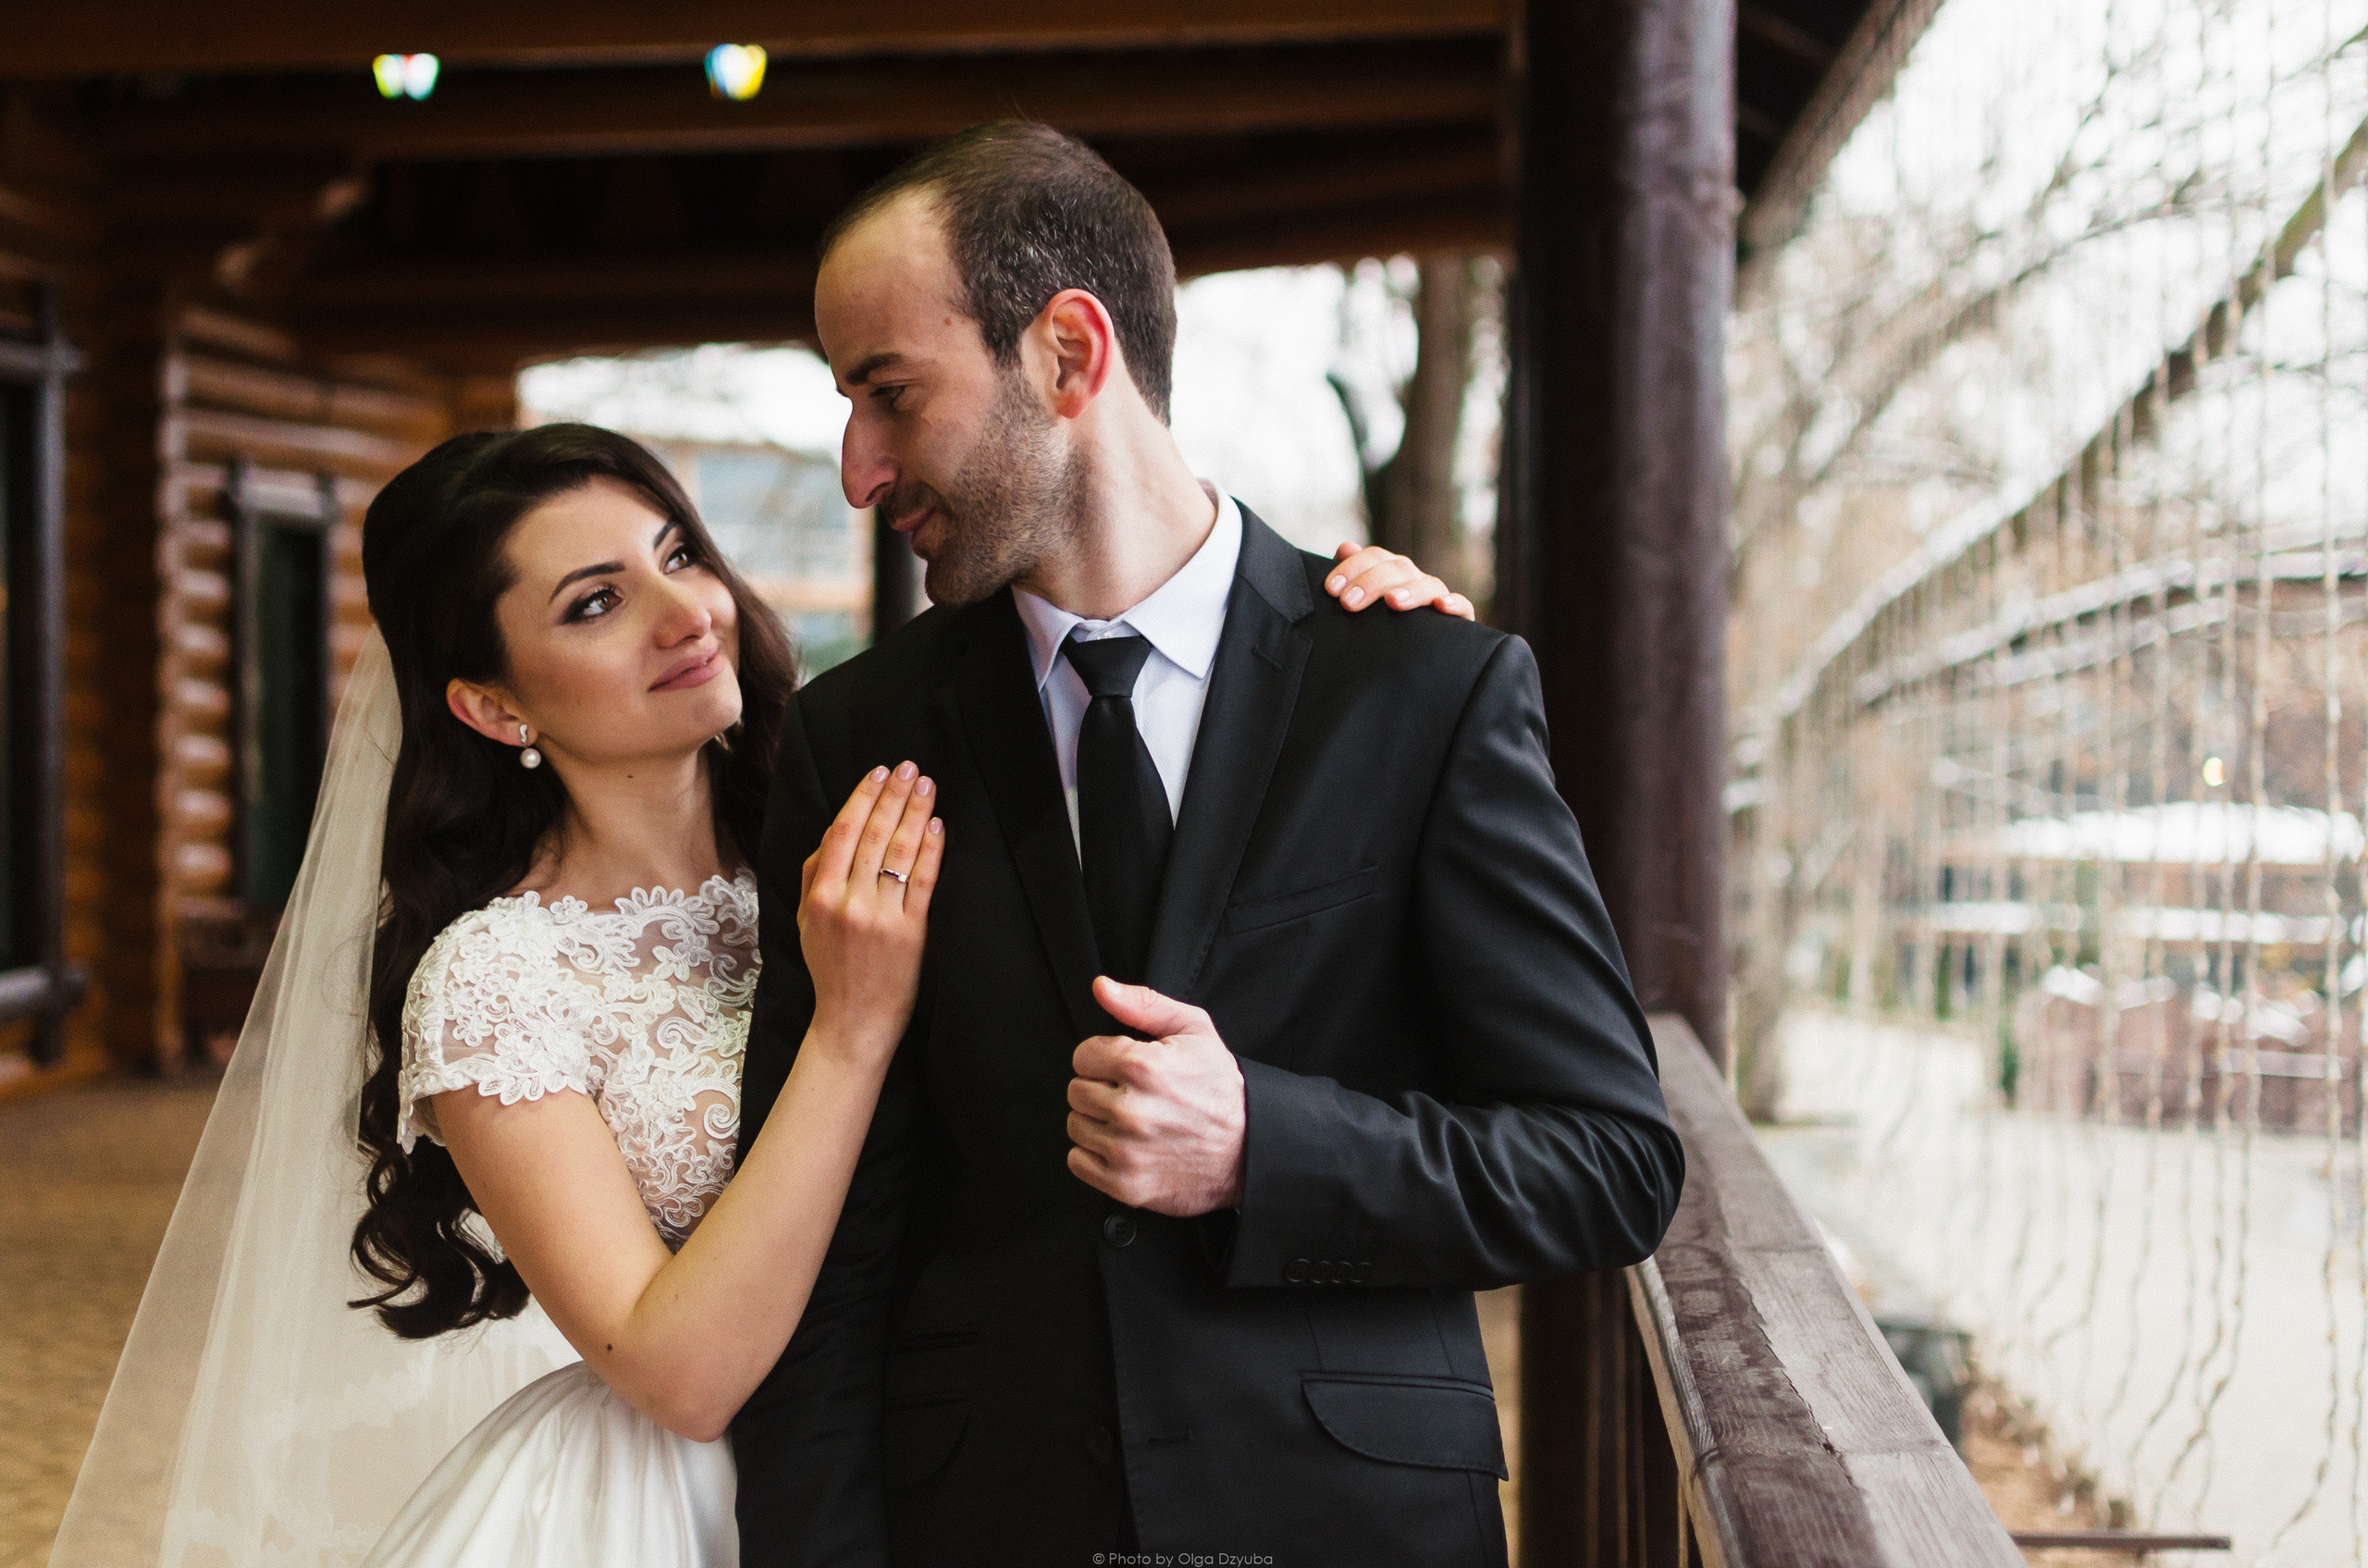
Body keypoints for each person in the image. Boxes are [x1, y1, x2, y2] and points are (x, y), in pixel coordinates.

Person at [46, 419, 1465, 1568]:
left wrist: (1346, 635)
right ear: (492, 704)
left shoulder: (880, 807)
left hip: (958, 1468)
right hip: (668, 1514)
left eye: (677, 553)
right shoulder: (495, 982)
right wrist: (847, 1032)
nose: (686, 612)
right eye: (596, 604)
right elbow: (679, 1372)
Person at [730, 123, 1684, 1568]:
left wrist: (1263, 1150)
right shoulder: (854, 736)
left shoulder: (1425, 690)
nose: (862, 467)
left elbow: (1608, 1161)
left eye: (890, 393)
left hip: (1349, 1527)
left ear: (1068, 354)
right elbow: (836, 1250)